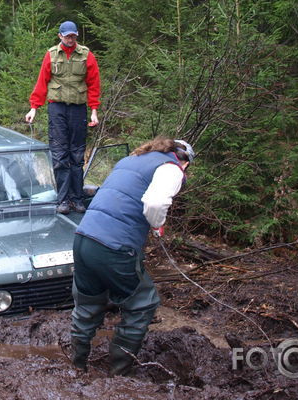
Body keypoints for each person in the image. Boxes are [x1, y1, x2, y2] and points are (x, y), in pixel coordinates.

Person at [70, 137, 195, 376]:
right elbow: (155, 203)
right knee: (142, 303)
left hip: (84, 238)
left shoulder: (130, 160)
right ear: (185, 160)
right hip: (115, 246)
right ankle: (119, 374)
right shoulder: (171, 169)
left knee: (88, 304)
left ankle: (77, 366)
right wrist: (158, 224)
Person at [25, 21, 100, 215]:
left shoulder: (86, 55)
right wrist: (34, 107)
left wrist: (94, 110)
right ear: (60, 36)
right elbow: (42, 81)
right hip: (57, 108)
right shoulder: (51, 55)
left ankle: (77, 199)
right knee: (60, 156)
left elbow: (94, 84)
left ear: (76, 36)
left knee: (77, 155)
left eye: (73, 36)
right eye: (67, 36)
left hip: (78, 109)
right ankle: (63, 200)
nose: (70, 39)